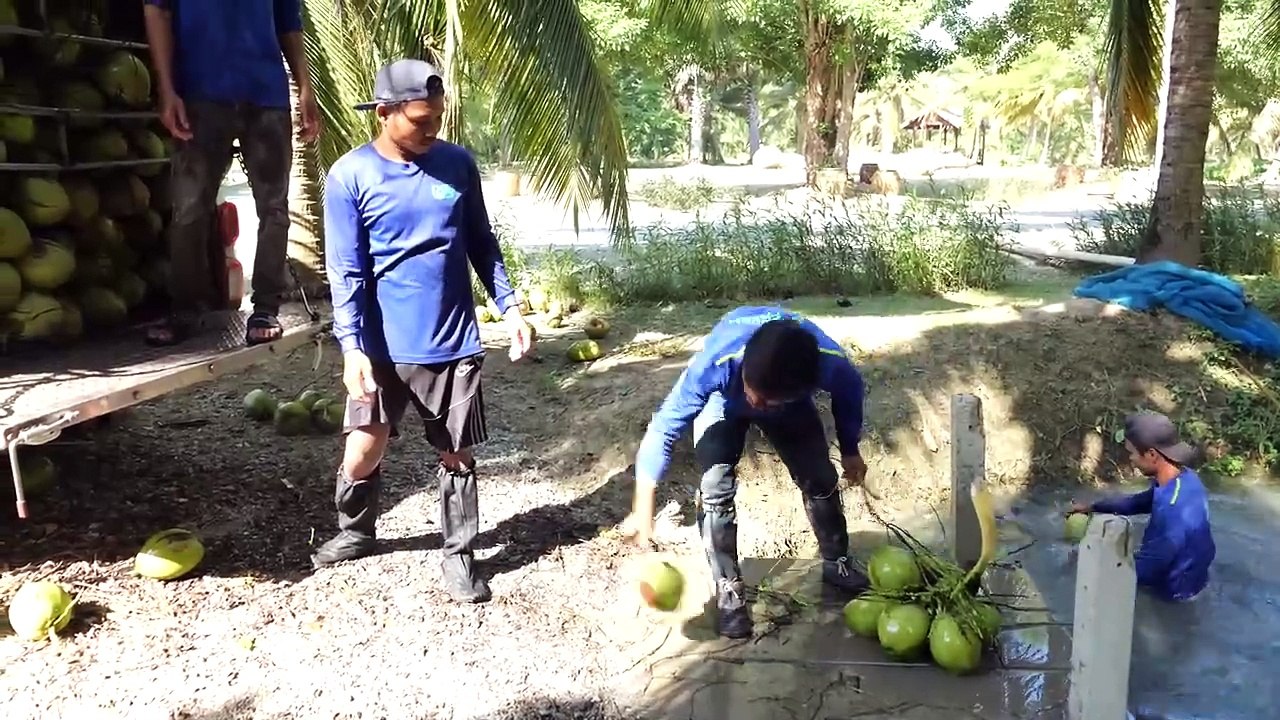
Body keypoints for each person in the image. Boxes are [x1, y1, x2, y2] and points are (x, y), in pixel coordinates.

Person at [310, 59, 534, 605]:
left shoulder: (457, 164)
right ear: (384, 113)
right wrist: (351, 348)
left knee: (456, 453)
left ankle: (460, 557)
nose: (431, 128)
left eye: (437, 117)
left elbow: (481, 242)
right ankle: (357, 530)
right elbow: (347, 270)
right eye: (419, 119)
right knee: (363, 450)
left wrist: (510, 306)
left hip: (451, 340)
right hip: (381, 347)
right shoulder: (350, 176)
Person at [621, 307, 869, 638]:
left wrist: (850, 449)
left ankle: (836, 562)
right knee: (714, 489)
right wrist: (642, 508)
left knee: (820, 478)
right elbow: (663, 429)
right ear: (745, 369)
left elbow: (850, 393)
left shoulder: (828, 362)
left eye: (769, 402)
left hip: (791, 410)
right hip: (724, 404)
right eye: (757, 395)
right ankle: (728, 587)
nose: (759, 405)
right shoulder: (717, 364)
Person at [142, 0, 321, 347]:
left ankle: (266, 307)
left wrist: (305, 86)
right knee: (189, 207)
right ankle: (185, 309)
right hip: (200, 94)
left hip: (266, 95)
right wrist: (167, 90)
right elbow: (157, 12)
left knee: (273, 207)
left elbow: (289, 21)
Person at [1069, 412, 1216, 602]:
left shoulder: (1172, 511)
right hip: (1196, 577)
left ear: (1152, 454)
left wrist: (1087, 564)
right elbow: (1139, 502)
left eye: (1132, 453)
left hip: (1174, 596)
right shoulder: (1184, 478)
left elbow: (1146, 570)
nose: (1130, 458)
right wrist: (1093, 507)